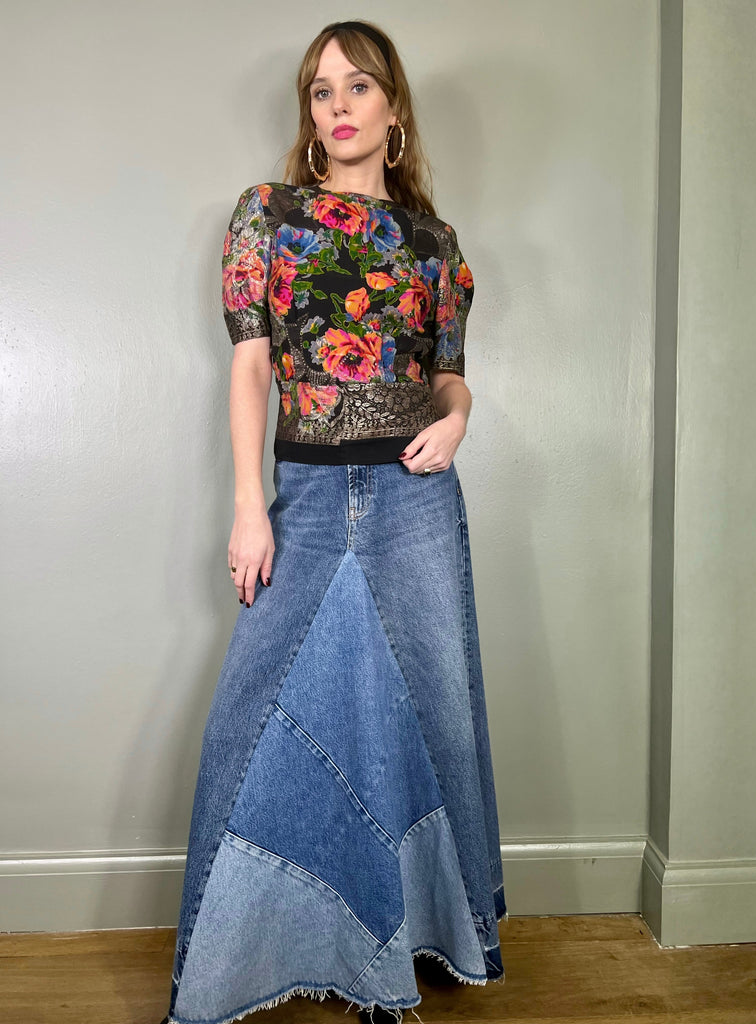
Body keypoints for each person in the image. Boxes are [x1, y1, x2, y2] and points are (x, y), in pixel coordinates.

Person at [161, 19, 507, 1024]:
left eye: (360, 86)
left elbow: (448, 378)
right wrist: (249, 507)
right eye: (322, 90)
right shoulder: (267, 216)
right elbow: (251, 369)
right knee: (251, 718)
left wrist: (460, 419)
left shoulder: (434, 245)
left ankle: (395, 960)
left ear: (394, 109)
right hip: (306, 498)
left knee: (426, 713)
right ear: (309, 115)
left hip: (414, 498)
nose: (340, 104)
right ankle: (235, 963)